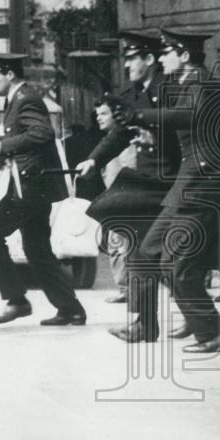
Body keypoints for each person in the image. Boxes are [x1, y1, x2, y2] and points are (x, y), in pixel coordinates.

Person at [108, 29, 220, 351]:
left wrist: (140, 115)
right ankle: (149, 325)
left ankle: (214, 333)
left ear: (184, 55)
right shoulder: (188, 84)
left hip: (204, 189)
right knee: (147, 251)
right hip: (187, 187)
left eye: (167, 53)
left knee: (178, 266)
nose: (162, 58)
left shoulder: (202, 83)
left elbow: (189, 116)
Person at [0, 53, 86, 327]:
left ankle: (17, 301)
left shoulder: (25, 98)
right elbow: (22, 138)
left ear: (9, 74)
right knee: (37, 249)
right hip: (31, 186)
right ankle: (70, 309)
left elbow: (42, 133)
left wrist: (2, 146)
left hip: (28, 187)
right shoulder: (16, 98)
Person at [76, 32, 180, 307]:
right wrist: (94, 160)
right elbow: (118, 134)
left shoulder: (172, 90)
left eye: (133, 58)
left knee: (170, 255)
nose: (127, 65)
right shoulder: (129, 95)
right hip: (146, 182)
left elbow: (183, 130)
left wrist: (155, 135)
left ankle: (198, 318)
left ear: (150, 59)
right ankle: (143, 320)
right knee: (136, 248)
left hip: (172, 182)